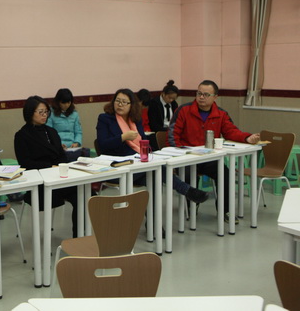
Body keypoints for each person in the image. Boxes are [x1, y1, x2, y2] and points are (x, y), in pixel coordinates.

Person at [168, 79, 260, 223]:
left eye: (206, 95)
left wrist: (247, 138)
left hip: (208, 159)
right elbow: (173, 135)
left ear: (215, 97)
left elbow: (231, 132)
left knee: (225, 173)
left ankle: (225, 210)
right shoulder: (184, 110)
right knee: (187, 175)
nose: (201, 97)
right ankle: (191, 206)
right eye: (199, 93)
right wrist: (177, 156)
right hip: (186, 158)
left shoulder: (221, 114)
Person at [97, 89, 208, 203]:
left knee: (156, 176)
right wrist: (123, 137)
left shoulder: (135, 119)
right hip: (117, 167)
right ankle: (188, 191)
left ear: (132, 105)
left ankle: (152, 214)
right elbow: (103, 145)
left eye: (124, 102)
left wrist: (150, 155)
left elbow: (144, 141)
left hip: (137, 165)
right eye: (117, 101)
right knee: (158, 170)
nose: (120, 105)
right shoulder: (105, 119)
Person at [14, 95, 79, 238]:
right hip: (40, 185)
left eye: (46, 112)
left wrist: (59, 167)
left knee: (84, 195)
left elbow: (62, 156)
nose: (45, 115)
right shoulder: (22, 135)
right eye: (41, 112)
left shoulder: (51, 132)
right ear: (30, 113)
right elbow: (26, 163)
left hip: (59, 179)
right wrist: (51, 166)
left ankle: (80, 236)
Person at [47, 88, 89, 160]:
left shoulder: (74, 114)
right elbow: (49, 133)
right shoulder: (51, 114)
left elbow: (78, 132)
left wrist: (77, 143)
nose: (66, 105)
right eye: (63, 103)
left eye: (69, 102)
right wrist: (58, 145)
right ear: (58, 102)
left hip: (72, 148)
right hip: (58, 148)